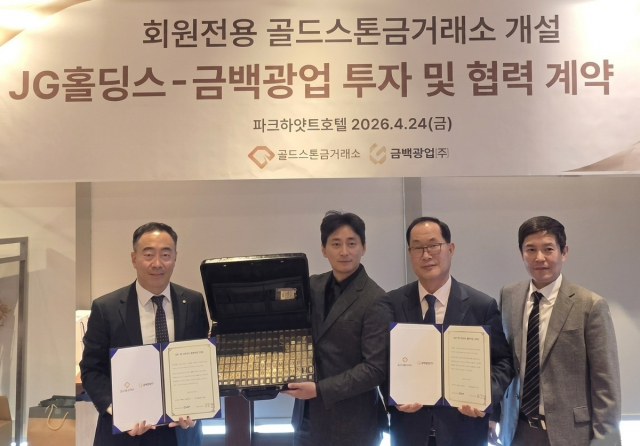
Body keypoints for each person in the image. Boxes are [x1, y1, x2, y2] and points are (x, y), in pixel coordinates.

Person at [387, 217, 513, 446]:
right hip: (408, 431)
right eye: (418, 248)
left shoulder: (481, 305)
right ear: (410, 252)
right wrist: (393, 394)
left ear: (450, 249)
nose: (426, 255)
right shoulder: (392, 303)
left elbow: (502, 362)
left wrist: (485, 396)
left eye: (434, 245)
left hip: (463, 431)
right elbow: (380, 361)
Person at [80, 222, 209, 446]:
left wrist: (197, 407)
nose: (157, 263)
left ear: (175, 257)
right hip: (125, 433)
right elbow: (91, 370)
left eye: (165, 255)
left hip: (180, 431)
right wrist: (118, 410)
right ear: (134, 258)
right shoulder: (106, 308)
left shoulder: (193, 302)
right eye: (148, 255)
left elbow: (201, 363)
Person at [498, 216, 621, 446]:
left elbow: (606, 385)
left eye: (548, 249)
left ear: (563, 252)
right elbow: (504, 360)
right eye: (531, 249)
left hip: (571, 434)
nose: (539, 258)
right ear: (521, 253)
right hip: (516, 430)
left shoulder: (590, 305)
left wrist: (606, 441)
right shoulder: (509, 295)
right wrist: (494, 417)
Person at [282, 211, 393, 446]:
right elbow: (289, 330)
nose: (344, 251)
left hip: (353, 424)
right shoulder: (311, 286)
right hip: (306, 420)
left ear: (363, 247)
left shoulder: (375, 298)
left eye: (351, 243)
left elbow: (375, 369)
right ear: (324, 249)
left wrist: (320, 390)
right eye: (336, 244)